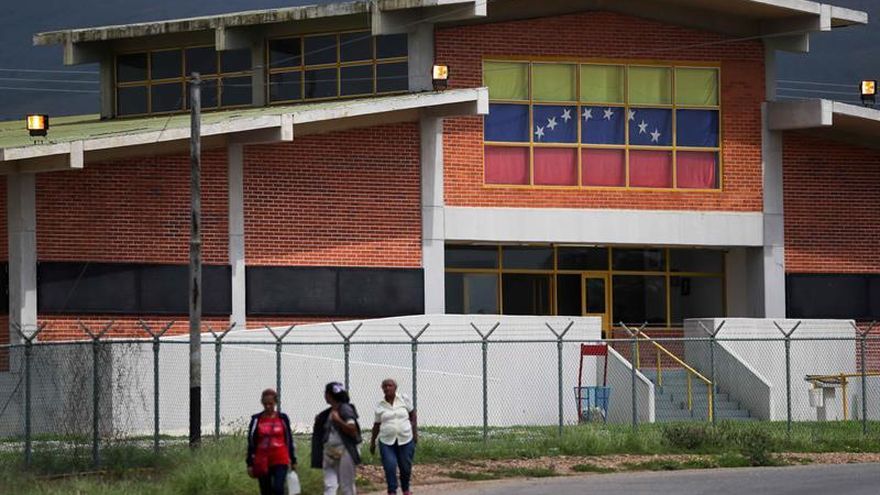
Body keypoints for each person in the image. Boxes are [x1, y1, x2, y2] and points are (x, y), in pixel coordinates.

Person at [312, 382, 362, 495]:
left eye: (326, 393)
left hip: (345, 451)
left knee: (346, 485)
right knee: (329, 485)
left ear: (329, 395)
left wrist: (338, 421)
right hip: (329, 452)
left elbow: (352, 430)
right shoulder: (328, 412)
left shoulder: (345, 409)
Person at [369, 379, 418, 495]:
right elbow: (376, 425)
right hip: (386, 441)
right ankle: (392, 491)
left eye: (390, 385)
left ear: (395, 388)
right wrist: (372, 442)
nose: (387, 388)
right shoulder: (380, 405)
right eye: (385, 386)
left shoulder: (403, 399)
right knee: (389, 466)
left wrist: (414, 432)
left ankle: (405, 489)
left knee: (405, 466)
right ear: (382, 389)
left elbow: (413, 415)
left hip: (405, 439)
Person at [246, 388, 297, 495]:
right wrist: (250, 463)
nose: (268, 406)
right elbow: (251, 442)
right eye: (265, 404)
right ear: (262, 403)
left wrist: (293, 459)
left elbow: (289, 439)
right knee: (266, 490)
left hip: (280, 459)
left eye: (270, 404)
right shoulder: (256, 420)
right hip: (262, 460)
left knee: (278, 489)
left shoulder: (282, 418)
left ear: (275, 403)